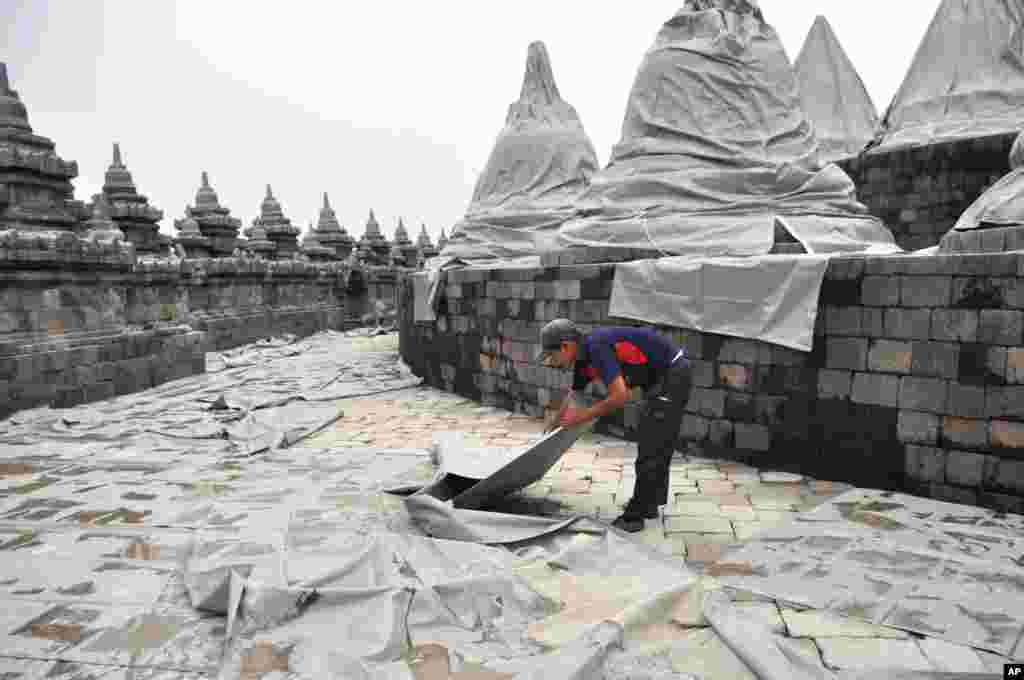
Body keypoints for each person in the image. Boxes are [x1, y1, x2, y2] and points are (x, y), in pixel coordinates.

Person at [537, 318, 692, 533]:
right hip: (657, 379)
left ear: (565, 346)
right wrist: (555, 422)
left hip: (673, 374)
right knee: (655, 440)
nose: (553, 362)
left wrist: (581, 417)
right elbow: (575, 395)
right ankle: (649, 505)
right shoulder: (582, 358)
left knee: (653, 445)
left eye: (552, 355)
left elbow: (619, 396)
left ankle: (635, 517)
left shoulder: (597, 347)